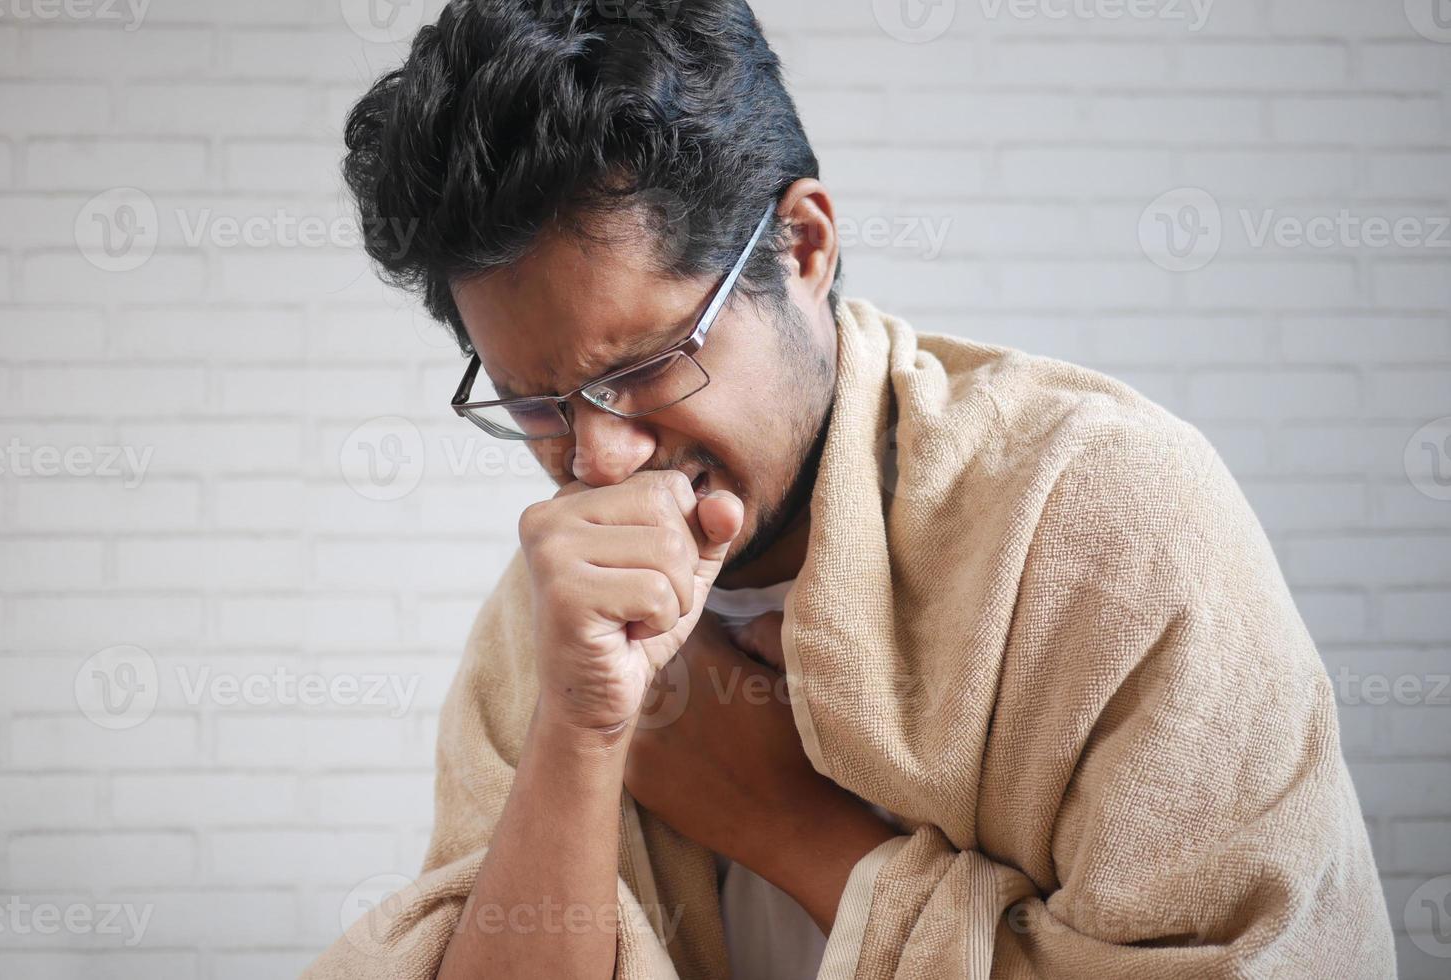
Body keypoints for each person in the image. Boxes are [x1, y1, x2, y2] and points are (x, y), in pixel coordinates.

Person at [305, 2, 1395, 977]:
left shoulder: (1098, 517)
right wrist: (580, 733)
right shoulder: (543, 624)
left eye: (640, 369)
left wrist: (783, 824)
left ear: (803, 245)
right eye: (535, 402)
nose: (597, 460)